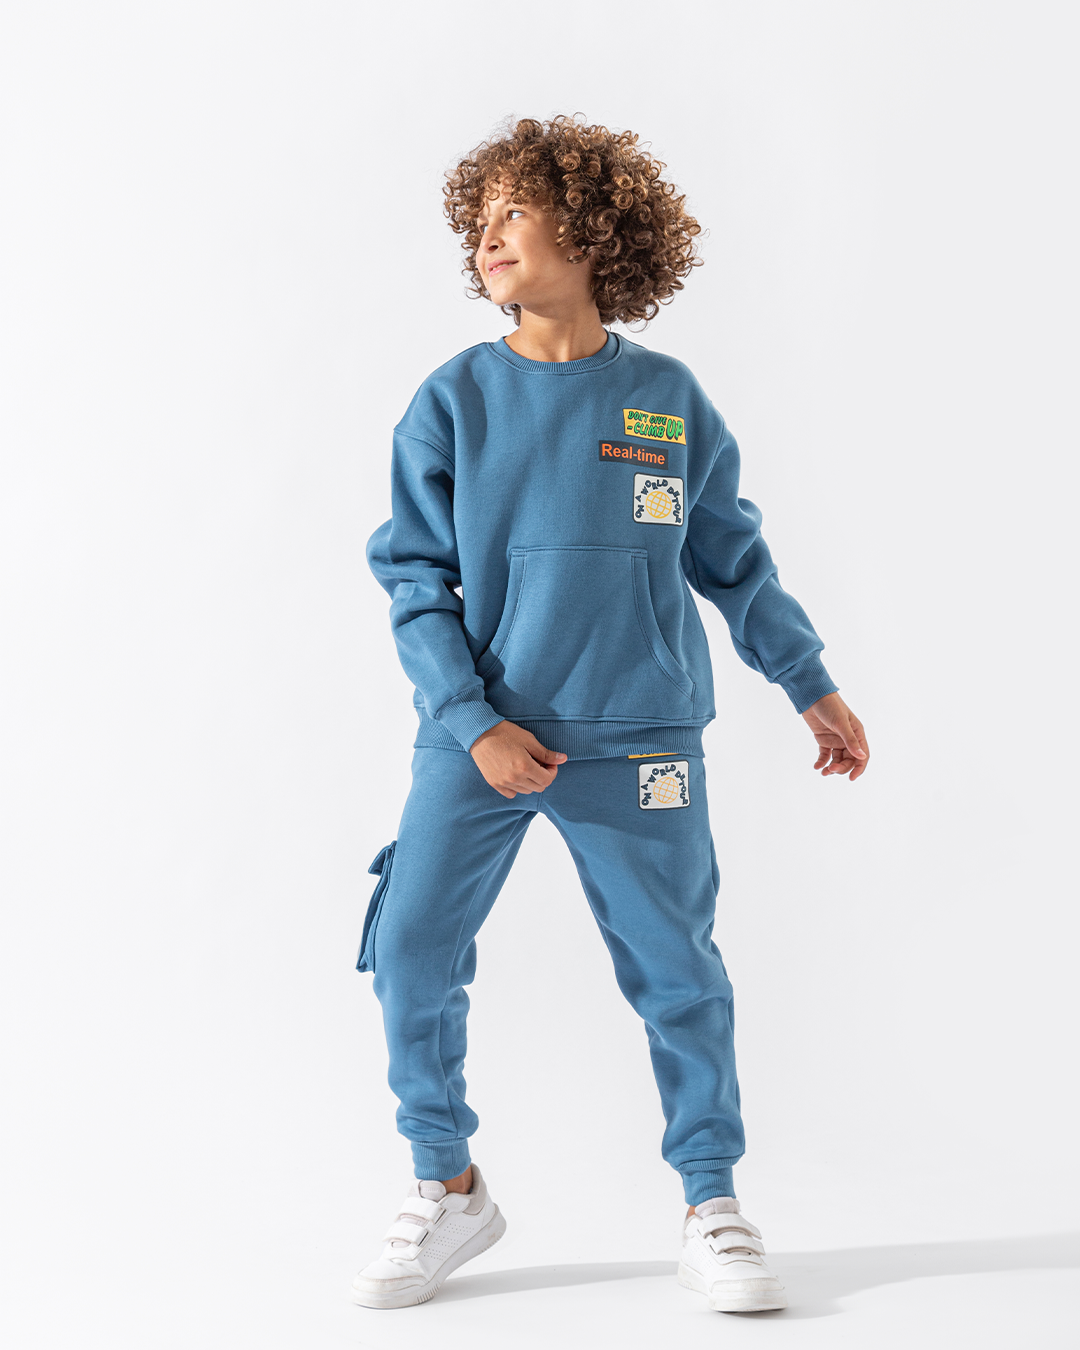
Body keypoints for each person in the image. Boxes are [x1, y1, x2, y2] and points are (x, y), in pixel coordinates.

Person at [352, 113, 869, 1316]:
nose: (487, 236)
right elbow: (414, 579)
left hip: (641, 735)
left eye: (515, 212)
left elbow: (733, 561)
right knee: (412, 947)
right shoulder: (454, 400)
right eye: (477, 219)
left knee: (678, 970)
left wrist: (810, 682)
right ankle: (447, 1185)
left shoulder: (666, 399)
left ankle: (711, 1200)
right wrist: (471, 719)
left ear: (591, 231)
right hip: (482, 735)